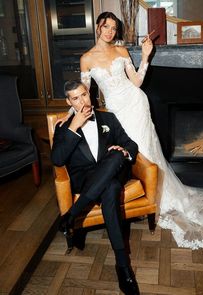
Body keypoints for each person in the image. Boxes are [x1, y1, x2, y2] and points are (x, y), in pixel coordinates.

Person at [59, 12, 203, 249]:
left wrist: (145, 56)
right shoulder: (86, 59)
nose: (110, 31)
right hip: (116, 113)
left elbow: (137, 82)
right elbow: (84, 95)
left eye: (114, 27)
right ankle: (131, 199)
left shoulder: (122, 52)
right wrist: (70, 115)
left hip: (137, 105)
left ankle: (153, 198)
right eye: (106, 26)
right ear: (98, 28)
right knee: (125, 154)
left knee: (147, 153)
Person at [51, 80, 140, 295]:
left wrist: (124, 151)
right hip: (86, 178)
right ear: (68, 102)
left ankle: (73, 214)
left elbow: (131, 144)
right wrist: (74, 126)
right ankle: (122, 265)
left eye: (83, 95)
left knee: (116, 158)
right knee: (110, 189)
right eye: (75, 98)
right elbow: (57, 159)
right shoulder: (64, 126)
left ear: (89, 94)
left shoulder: (107, 118)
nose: (81, 101)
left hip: (110, 168)